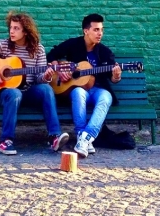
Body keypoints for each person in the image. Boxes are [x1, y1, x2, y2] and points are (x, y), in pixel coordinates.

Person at [0, 11, 69, 156]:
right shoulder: (2, 45)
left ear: (26, 32)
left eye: (16, 28)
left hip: (28, 91)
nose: (12, 31)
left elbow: (37, 79)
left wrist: (46, 76)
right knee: (14, 93)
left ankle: (54, 137)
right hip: (5, 93)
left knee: (46, 89)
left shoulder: (37, 49)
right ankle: (6, 141)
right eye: (11, 27)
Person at [47, 13, 121, 158]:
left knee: (106, 98)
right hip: (79, 89)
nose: (100, 33)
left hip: (99, 89)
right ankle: (82, 135)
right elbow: (51, 55)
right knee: (78, 93)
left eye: (101, 30)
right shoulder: (73, 44)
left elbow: (113, 78)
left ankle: (85, 137)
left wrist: (116, 76)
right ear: (86, 31)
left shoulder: (105, 52)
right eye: (96, 30)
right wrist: (59, 69)